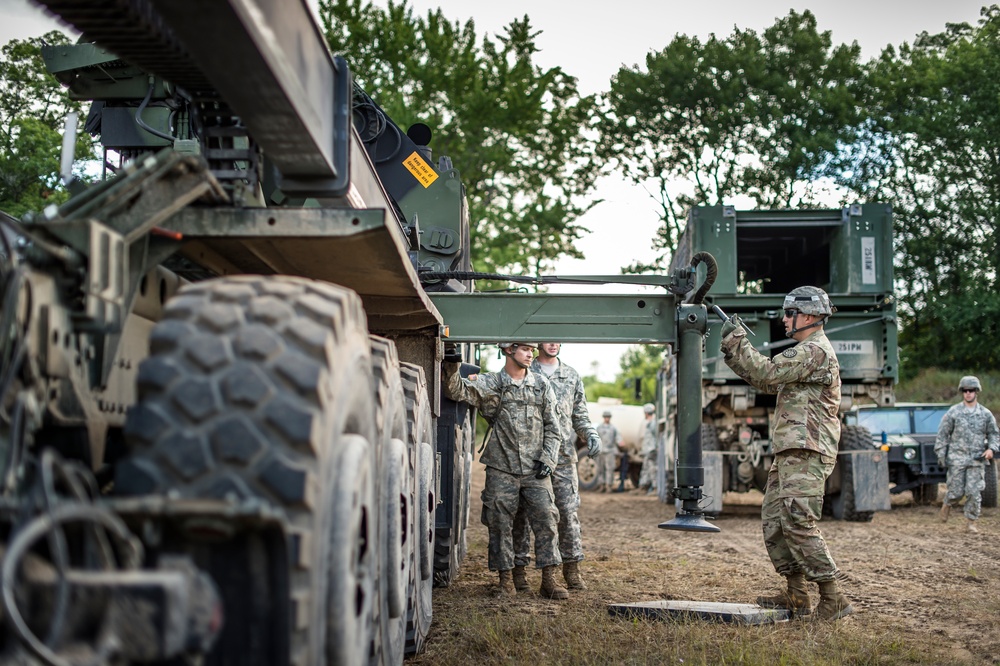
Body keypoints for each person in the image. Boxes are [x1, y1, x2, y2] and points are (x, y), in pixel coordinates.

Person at [720, 286, 852, 621]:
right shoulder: (805, 353)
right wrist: (734, 349)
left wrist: (737, 340)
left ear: (808, 316)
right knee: (776, 523)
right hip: (792, 451)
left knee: (797, 522)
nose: (783, 319)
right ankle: (796, 595)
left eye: (789, 313)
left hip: (807, 451)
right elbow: (765, 382)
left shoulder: (814, 352)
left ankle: (832, 597)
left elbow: (767, 372)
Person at [443, 342, 568, 599]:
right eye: (524, 349)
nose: (531, 354)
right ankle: (506, 580)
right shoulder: (491, 383)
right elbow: (455, 390)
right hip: (502, 467)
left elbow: (554, 428)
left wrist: (548, 459)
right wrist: (453, 364)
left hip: (536, 469)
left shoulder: (541, 385)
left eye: (532, 350)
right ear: (508, 350)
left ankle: (549, 580)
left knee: (547, 520)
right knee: (500, 524)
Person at [511, 342, 601, 592]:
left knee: (568, 513)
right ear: (538, 342)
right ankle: (519, 571)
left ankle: (571, 569)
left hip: (562, 458)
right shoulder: (523, 369)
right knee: (524, 516)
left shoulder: (571, 375)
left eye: (557, 339)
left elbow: (580, 415)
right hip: (530, 456)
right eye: (548, 338)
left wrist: (590, 433)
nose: (553, 343)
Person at [934, 375, 1000, 533]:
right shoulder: (954, 412)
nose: (968, 393)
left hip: (977, 459)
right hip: (957, 458)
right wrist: (941, 454)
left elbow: (994, 434)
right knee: (955, 491)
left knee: (974, 491)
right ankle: (947, 504)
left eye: (971, 390)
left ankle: (971, 522)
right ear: (962, 392)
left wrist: (991, 449)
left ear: (977, 392)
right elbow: (943, 435)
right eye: (965, 390)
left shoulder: (985, 414)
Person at [596, 410, 622, 493]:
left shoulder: (613, 428)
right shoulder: (599, 427)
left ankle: (609, 486)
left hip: (610, 451)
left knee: (609, 469)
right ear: (604, 418)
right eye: (606, 417)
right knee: (600, 469)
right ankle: (601, 485)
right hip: (601, 450)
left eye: (608, 417)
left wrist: (620, 442)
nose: (607, 419)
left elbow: (618, 437)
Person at [637, 403, 658, 494]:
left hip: (651, 450)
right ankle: (643, 487)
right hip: (648, 450)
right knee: (646, 469)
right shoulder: (650, 423)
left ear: (646, 413)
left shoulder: (653, 423)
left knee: (652, 469)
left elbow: (655, 438)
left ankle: (655, 488)